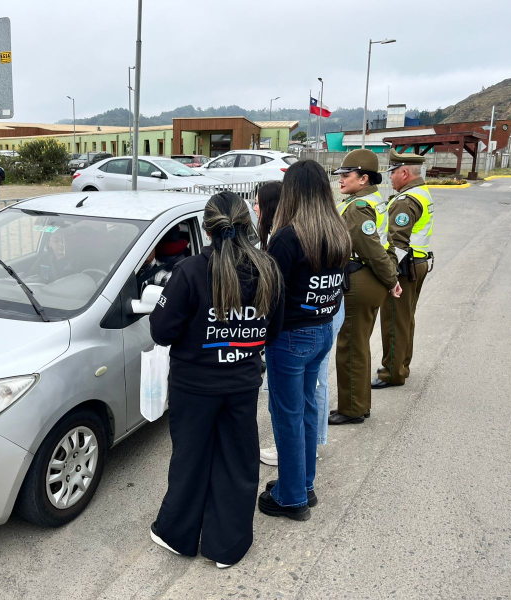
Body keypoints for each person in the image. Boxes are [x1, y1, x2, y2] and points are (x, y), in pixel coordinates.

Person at [149, 191, 284, 568]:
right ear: (247, 224)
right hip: (242, 383)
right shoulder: (268, 269)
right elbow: (273, 331)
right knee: (238, 463)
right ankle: (228, 546)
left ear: (207, 229)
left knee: (189, 459)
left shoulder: (190, 270)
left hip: (193, 388)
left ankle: (176, 534)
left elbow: (161, 331)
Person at [257, 160, 351, 521]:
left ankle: (292, 497)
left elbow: (269, 292)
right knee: (307, 409)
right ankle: (303, 483)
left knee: (287, 415)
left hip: (291, 337)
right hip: (323, 329)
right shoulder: (338, 232)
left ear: (292, 192)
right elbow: (341, 285)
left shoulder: (288, 237)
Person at [328, 149, 402, 426]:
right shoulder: (371, 200)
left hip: (360, 278)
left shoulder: (359, 207)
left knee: (350, 345)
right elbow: (385, 244)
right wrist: (390, 278)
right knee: (357, 344)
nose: (340, 179)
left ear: (364, 178)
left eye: (346, 175)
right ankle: (359, 403)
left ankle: (351, 409)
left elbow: (372, 250)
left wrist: (392, 280)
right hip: (368, 277)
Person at [372, 149, 434, 389]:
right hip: (418, 262)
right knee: (405, 318)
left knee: (394, 320)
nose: (390, 177)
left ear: (405, 173)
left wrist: (389, 275)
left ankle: (392, 372)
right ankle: (402, 365)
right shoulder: (422, 192)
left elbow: (397, 242)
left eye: (393, 172)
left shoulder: (406, 201)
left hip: (404, 267)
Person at [136, 225, 189, 291]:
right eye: (141, 246)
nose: (145, 249)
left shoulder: (166, 275)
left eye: (148, 245)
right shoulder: (126, 267)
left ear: (154, 245)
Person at [254, 181, 282, 249]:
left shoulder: (280, 241)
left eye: (257, 203)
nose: (254, 208)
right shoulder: (275, 235)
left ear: (270, 206)